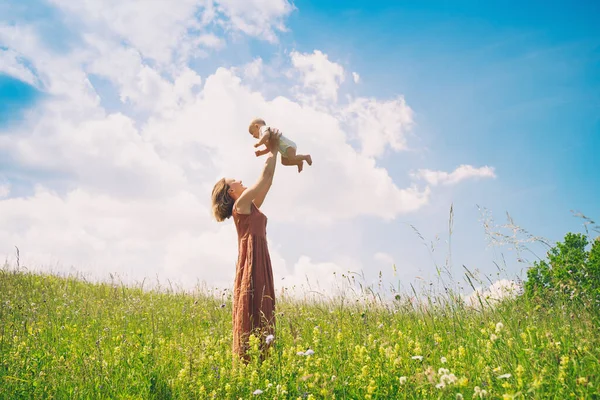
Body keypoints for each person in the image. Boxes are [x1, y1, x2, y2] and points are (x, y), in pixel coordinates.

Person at [211, 134, 280, 361]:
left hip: (259, 256)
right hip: (253, 258)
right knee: (254, 304)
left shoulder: (248, 205)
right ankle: (251, 360)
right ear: (231, 192)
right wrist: (273, 148)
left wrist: (274, 150)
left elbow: (267, 182)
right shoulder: (240, 205)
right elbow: (265, 177)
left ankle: (261, 359)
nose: (240, 180)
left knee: (261, 306)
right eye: (235, 181)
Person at [248, 118, 313, 173]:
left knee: (292, 158)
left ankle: (306, 157)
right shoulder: (264, 139)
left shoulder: (263, 129)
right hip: (283, 150)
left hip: (288, 145)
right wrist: (260, 153)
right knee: (284, 162)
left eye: (253, 133)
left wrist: (259, 143)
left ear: (257, 126)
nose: (253, 136)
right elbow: (269, 149)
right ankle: (299, 162)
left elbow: (266, 134)